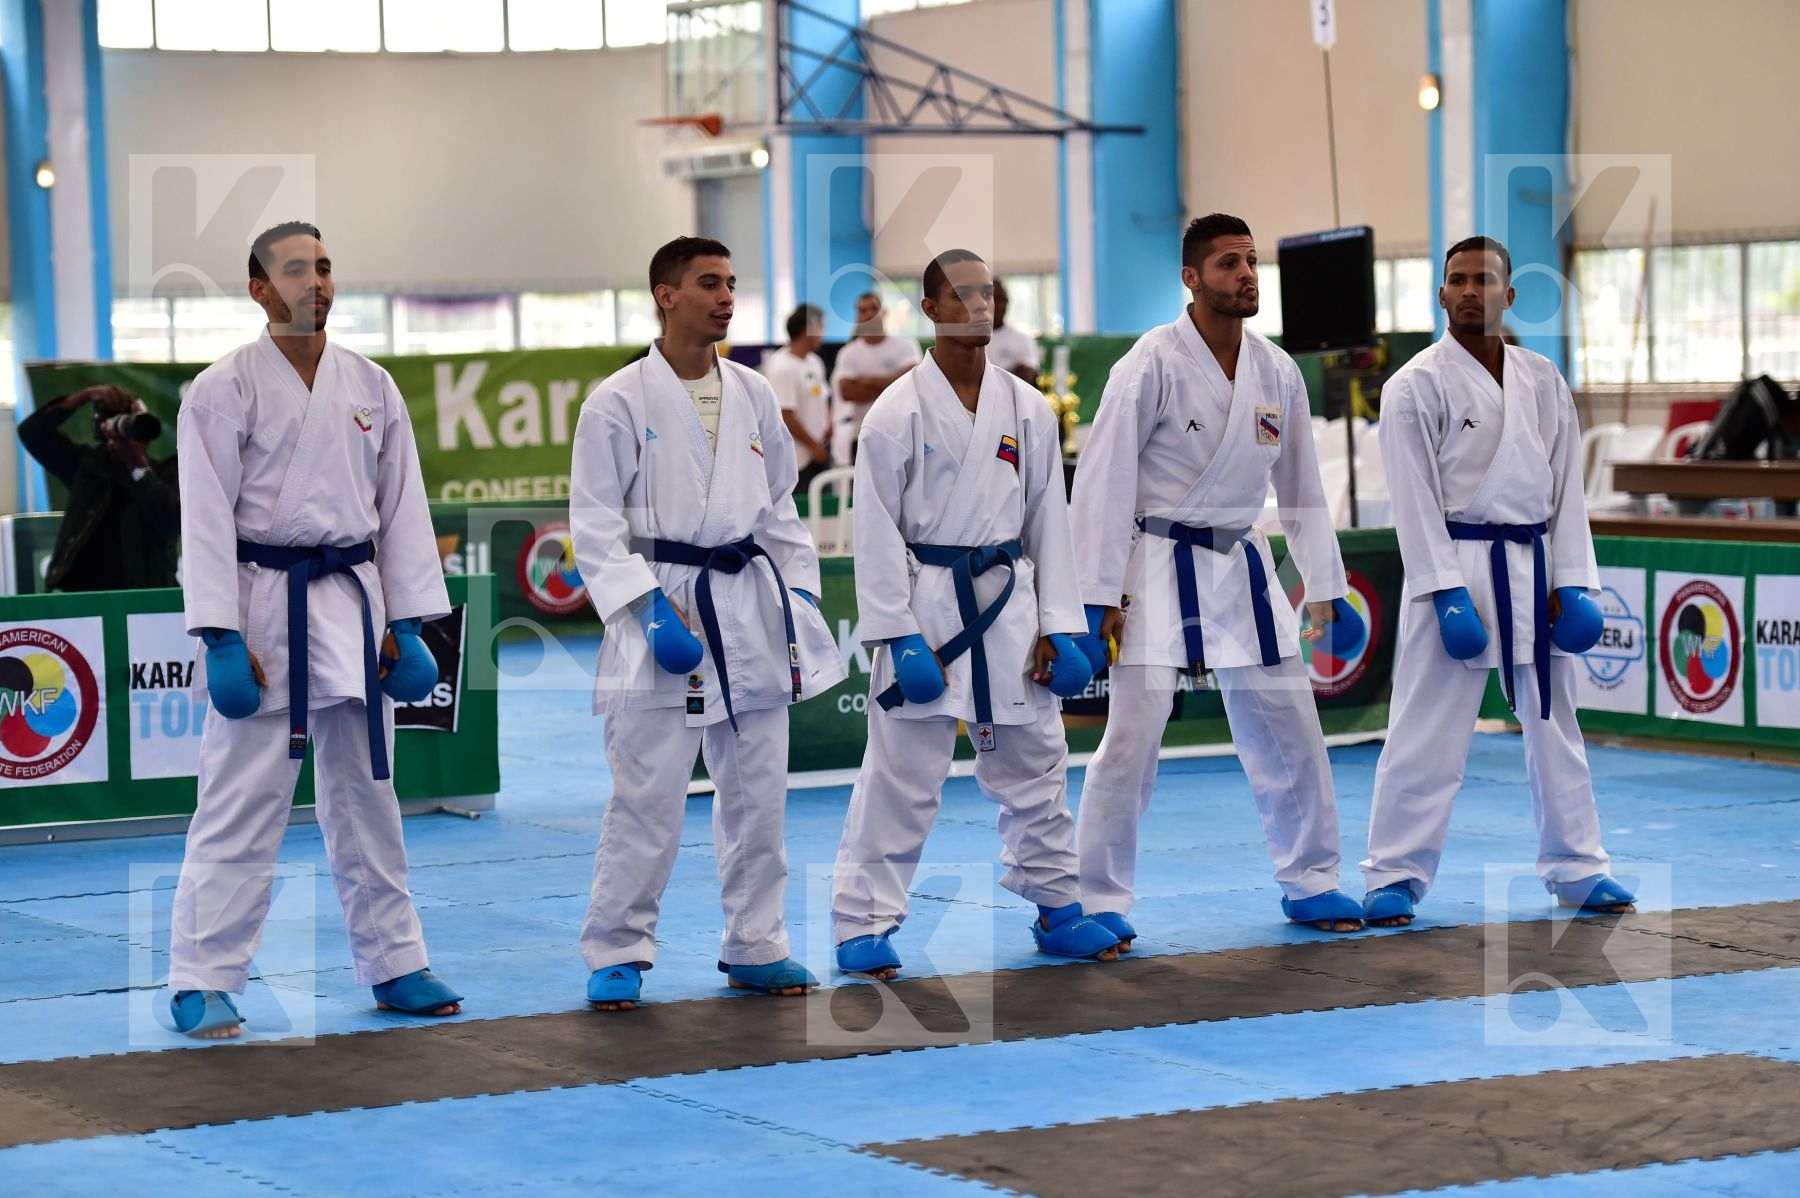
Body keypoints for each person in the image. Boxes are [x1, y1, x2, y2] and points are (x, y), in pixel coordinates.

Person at [168, 221, 458, 1039]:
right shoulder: (222, 389)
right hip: (265, 606)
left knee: (369, 797)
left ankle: (396, 961)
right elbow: (205, 520)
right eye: (296, 269)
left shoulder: (371, 384)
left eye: (325, 267)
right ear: (259, 288)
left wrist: (409, 620)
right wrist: (220, 635)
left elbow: (401, 507)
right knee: (241, 799)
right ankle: (202, 977)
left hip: (354, 603)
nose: (316, 281)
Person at [1070, 213, 1369, 943]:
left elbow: (1302, 487)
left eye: (1252, 262)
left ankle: (1313, 878)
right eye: (1230, 264)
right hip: (1155, 562)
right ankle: (1096, 897)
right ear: (1191, 278)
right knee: (1131, 738)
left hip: (1242, 565)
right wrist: (1096, 598)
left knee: (1291, 729)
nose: (1247, 275)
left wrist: (1324, 583)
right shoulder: (1150, 363)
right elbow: (1104, 483)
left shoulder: (1277, 370)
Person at [570, 236, 847, 1011]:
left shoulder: (754, 392)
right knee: (647, 796)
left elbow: (780, 505)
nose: (726, 297)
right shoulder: (617, 400)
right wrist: (645, 606)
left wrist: (800, 594)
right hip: (662, 599)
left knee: (759, 795)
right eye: (708, 284)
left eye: (730, 283)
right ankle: (617, 950)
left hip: (749, 601)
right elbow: (594, 524)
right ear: (667, 295)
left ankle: (758, 944)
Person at [830, 249, 1118, 980]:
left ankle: (1059, 906)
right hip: (927, 604)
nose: (979, 305)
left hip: (1011, 604)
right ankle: (863, 922)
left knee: (1036, 761)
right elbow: (874, 532)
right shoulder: (896, 410)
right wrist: (898, 634)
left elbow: (1049, 519)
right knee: (902, 774)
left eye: (986, 292)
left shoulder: (1026, 406)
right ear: (930, 310)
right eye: (961, 294)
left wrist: (1061, 623)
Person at [1360, 235, 1631, 927]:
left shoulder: (1543, 379)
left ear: (1508, 295)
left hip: (1534, 563)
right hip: (1456, 563)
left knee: (1555, 725)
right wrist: (1444, 591)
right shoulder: (1413, 385)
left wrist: (1575, 581)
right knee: (1424, 728)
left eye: (1484, 279)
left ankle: (1579, 866)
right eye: (1458, 279)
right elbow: (1412, 500)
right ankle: (1394, 873)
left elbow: (1565, 489)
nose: (1470, 290)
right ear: (1441, 294)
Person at [17, 385, 179, 592]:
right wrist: (86, 395)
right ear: (102, 429)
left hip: (144, 596)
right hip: (85, 595)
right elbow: (31, 432)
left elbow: (170, 522)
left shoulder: (164, 473)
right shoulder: (87, 468)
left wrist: (137, 465)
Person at [828, 290, 922, 466]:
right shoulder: (849, 353)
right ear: (857, 317)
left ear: (884, 312)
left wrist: (867, 380)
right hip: (863, 434)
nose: (869, 314)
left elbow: (913, 381)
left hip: (902, 434)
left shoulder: (906, 346)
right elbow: (847, 392)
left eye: (874, 308)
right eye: (863, 310)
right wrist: (895, 385)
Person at [762, 303, 831, 493]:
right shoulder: (782, 367)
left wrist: (828, 423)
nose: (823, 334)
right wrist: (813, 445)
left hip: (819, 451)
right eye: (821, 327)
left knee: (825, 507)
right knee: (803, 508)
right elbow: (785, 415)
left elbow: (822, 396)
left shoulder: (814, 362)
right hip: (798, 459)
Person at [986, 278, 1044, 386]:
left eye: (1002, 300)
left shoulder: (1021, 339)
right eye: (993, 299)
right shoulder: (970, 339)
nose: (999, 305)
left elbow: (1027, 376)